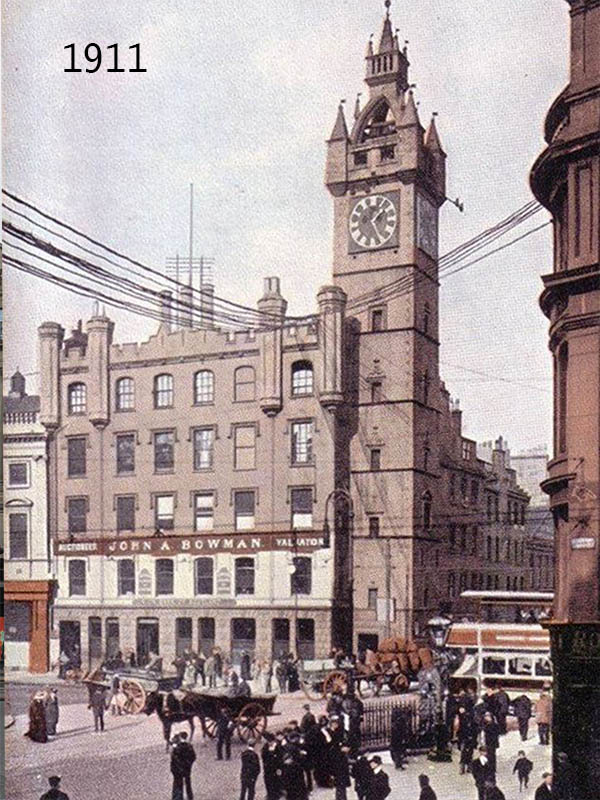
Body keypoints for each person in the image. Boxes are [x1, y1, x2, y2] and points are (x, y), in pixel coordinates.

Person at [170, 731, 196, 800]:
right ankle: (190, 796)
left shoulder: (177, 747)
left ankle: (178, 798)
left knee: (178, 784)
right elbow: (193, 757)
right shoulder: (189, 746)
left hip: (177, 770)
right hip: (187, 769)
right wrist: (189, 765)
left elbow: (174, 758)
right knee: (188, 783)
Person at [261, 733, 283, 800]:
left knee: (275, 782)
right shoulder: (265, 747)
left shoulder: (277, 747)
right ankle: (270, 794)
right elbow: (264, 756)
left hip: (275, 769)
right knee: (268, 782)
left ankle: (275, 795)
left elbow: (279, 758)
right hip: (267, 769)